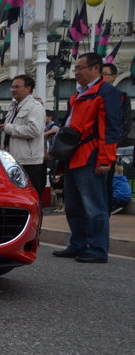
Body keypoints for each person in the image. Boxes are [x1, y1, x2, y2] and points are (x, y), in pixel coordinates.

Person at [52, 53, 122, 264]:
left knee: (94, 206)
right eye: (75, 69)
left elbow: (110, 129)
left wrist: (105, 160)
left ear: (95, 68)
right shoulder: (79, 94)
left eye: (80, 68)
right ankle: (78, 245)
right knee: (74, 206)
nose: (77, 72)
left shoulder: (106, 92)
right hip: (73, 156)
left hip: (90, 156)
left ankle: (98, 249)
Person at [0, 74, 46, 195]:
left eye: (17, 87)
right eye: (12, 87)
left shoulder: (35, 107)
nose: (13, 90)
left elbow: (34, 130)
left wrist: (9, 128)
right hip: (14, 160)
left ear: (28, 88)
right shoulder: (14, 107)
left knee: (31, 196)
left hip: (29, 162)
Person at [101, 63, 132, 215]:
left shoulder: (122, 97)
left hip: (109, 149)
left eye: (105, 74)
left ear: (113, 77)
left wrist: (113, 144)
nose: (102, 77)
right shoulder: (93, 95)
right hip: (93, 148)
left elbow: (125, 124)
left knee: (107, 181)